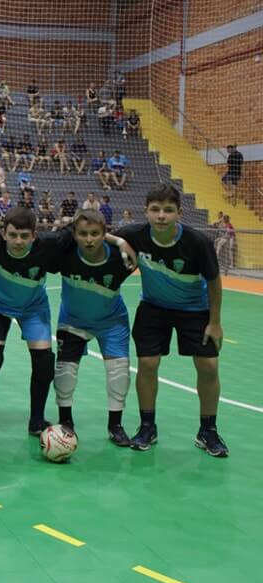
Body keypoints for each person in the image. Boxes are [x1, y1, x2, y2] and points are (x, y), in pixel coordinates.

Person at [0, 207, 129, 440]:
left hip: (33, 307)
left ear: (34, 235)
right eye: (13, 235)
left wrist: (118, 241)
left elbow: (83, 227)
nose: (18, 241)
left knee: (44, 362)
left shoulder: (50, 243)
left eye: (24, 236)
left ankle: (37, 420)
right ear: (2, 233)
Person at [116, 184, 227, 457]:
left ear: (179, 213)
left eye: (168, 210)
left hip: (195, 309)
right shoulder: (134, 234)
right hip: (154, 307)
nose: (161, 216)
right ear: (146, 211)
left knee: (209, 366)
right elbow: (94, 232)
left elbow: (214, 282)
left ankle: (208, 430)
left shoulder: (197, 242)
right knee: (147, 363)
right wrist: (118, 242)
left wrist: (215, 322)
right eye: (155, 210)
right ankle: (147, 426)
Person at [53, 210, 135, 446]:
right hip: (72, 320)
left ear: (104, 233)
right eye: (83, 234)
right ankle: (65, 421)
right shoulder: (64, 254)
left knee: (119, 372)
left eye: (95, 234)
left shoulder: (122, 258)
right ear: (74, 235)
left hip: (112, 321)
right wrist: (116, 239)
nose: (89, 239)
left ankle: (115, 425)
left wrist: (119, 242)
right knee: (65, 373)